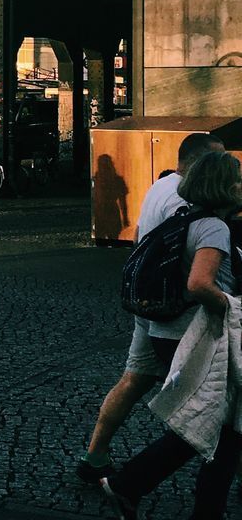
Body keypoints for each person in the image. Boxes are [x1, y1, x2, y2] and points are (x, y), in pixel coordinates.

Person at [101, 149, 242, 520]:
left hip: (165, 330)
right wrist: (229, 306)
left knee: (216, 426)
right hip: (194, 334)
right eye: (238, 178)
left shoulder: (185, 217)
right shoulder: (214, 227)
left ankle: (135, 486)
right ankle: (130, 484)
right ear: (224, 185)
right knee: (217, 428)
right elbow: (199, 283)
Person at [78, 132, 225, 484]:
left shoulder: (160, 187)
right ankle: (146, 478)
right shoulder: (188, 201)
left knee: (133, 380)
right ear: (200, 162)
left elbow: (142, 236)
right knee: (212, 403)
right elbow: (193, 268)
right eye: (215, 160)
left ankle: (95, 455)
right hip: (178, 315)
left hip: (148, 306)